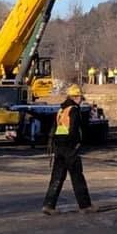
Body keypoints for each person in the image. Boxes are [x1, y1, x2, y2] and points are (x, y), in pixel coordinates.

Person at [42, 84, 93, 215]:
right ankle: (85, 206)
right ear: (75, 97)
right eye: (80, 97)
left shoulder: (61, 110)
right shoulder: (74, 110)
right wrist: (77, 145)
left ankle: (48, 205)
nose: (81, 100)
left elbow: (54, 129)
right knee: (77, 177)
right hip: (70, 148)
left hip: (59, 147)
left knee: (57, 177)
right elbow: (74, 129)